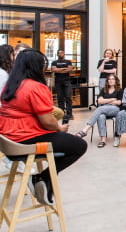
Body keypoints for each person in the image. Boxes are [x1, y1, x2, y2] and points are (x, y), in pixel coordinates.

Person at [0, 49, 87, 205]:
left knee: (63, 142)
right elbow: (48, 121)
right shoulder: (35, 87)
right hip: (25, 140)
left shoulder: (10, 85)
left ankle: (44, 181)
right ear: (36, 67)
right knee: (79, 145)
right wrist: (60, 129)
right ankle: (42, 178)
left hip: (8, 139)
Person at [75, 74, 123, 147]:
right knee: (100, 116)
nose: (111, 81)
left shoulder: (119, 90)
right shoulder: (104, 89)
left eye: (113, 79)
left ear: (116, 81)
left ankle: (85, 129)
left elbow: (119, 102)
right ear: (107, 81)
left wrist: (105, 101)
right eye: (109, 79)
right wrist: (112, 99)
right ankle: (103, 140)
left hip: (115, 109)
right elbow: (99, 101)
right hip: (104, 109)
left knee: (100, 109)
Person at [51, 49, 73, 121]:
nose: (61, 54)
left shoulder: (68, 61)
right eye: (59, 53)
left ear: (64, 53)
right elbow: (54, 70)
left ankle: (69, 114)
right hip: (58, 82)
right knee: (60, 98)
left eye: (62, 52)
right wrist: (64, 69)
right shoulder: (54, 62)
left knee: (68, 98)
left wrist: (59, 69)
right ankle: (62, 114)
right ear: (57, 54)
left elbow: (70, 69)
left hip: (67, 81)